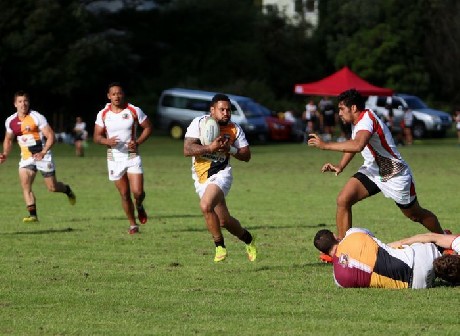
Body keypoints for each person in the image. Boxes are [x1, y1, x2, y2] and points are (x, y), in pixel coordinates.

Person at [307, 89, 444, 241]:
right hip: (373, 171)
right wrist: (341, 165)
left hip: (394, 173)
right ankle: (342, 247)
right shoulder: (357, 121)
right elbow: (354, 144)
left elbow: (358, 145)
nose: (339, 113)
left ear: (353, 108)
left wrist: (325, 145)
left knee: (415, 215)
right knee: (343, 200)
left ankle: (445, 238)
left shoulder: (366, 120)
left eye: (341, 109)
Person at [183, 93, 257, 263]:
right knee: (224, 221)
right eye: (222, 109)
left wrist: (230, 149)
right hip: (200, 176)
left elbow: (247, 156)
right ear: (212, 110)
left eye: (228, 110)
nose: (226, 113)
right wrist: (210, 147)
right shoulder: (199, 123)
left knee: (205, 205)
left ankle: (219, 246)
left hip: (221, 174)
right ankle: (249, 239)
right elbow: (187, 150)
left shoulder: (234, 129)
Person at [0, 91, 76, 222]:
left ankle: (67, 190)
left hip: (43, 155)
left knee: (52, 187)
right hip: (26, 157)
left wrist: (44, 151)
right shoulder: (10, 121)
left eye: (25, 101)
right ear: (15, 104)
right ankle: (33, 215)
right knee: (26, 185)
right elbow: (8, 139)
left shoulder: (36, 117)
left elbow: (51, 136)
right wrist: (5, 153)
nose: (23, 104)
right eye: (20, 101)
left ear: (28, 102)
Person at [93, 82, 152, 234]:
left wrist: (137, 142)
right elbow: (96, 137)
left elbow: (148, 127)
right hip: (114, 157)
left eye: (119, 93)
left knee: (138, 192)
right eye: (113, 94)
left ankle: (139, 205)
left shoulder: (133, 110)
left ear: (123, 94)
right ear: (109, 96)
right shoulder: (103, 114)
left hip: (132, 155)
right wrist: (107, 141)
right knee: (125, 194)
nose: (116, 96)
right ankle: (133, 224)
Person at [313, 227, 444, 288]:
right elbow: (373, 238)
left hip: (417, 285)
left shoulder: (338, 280)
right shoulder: (353, 233)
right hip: (421, 258)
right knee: (429, 240)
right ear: (335, 236)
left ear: (324, 252)